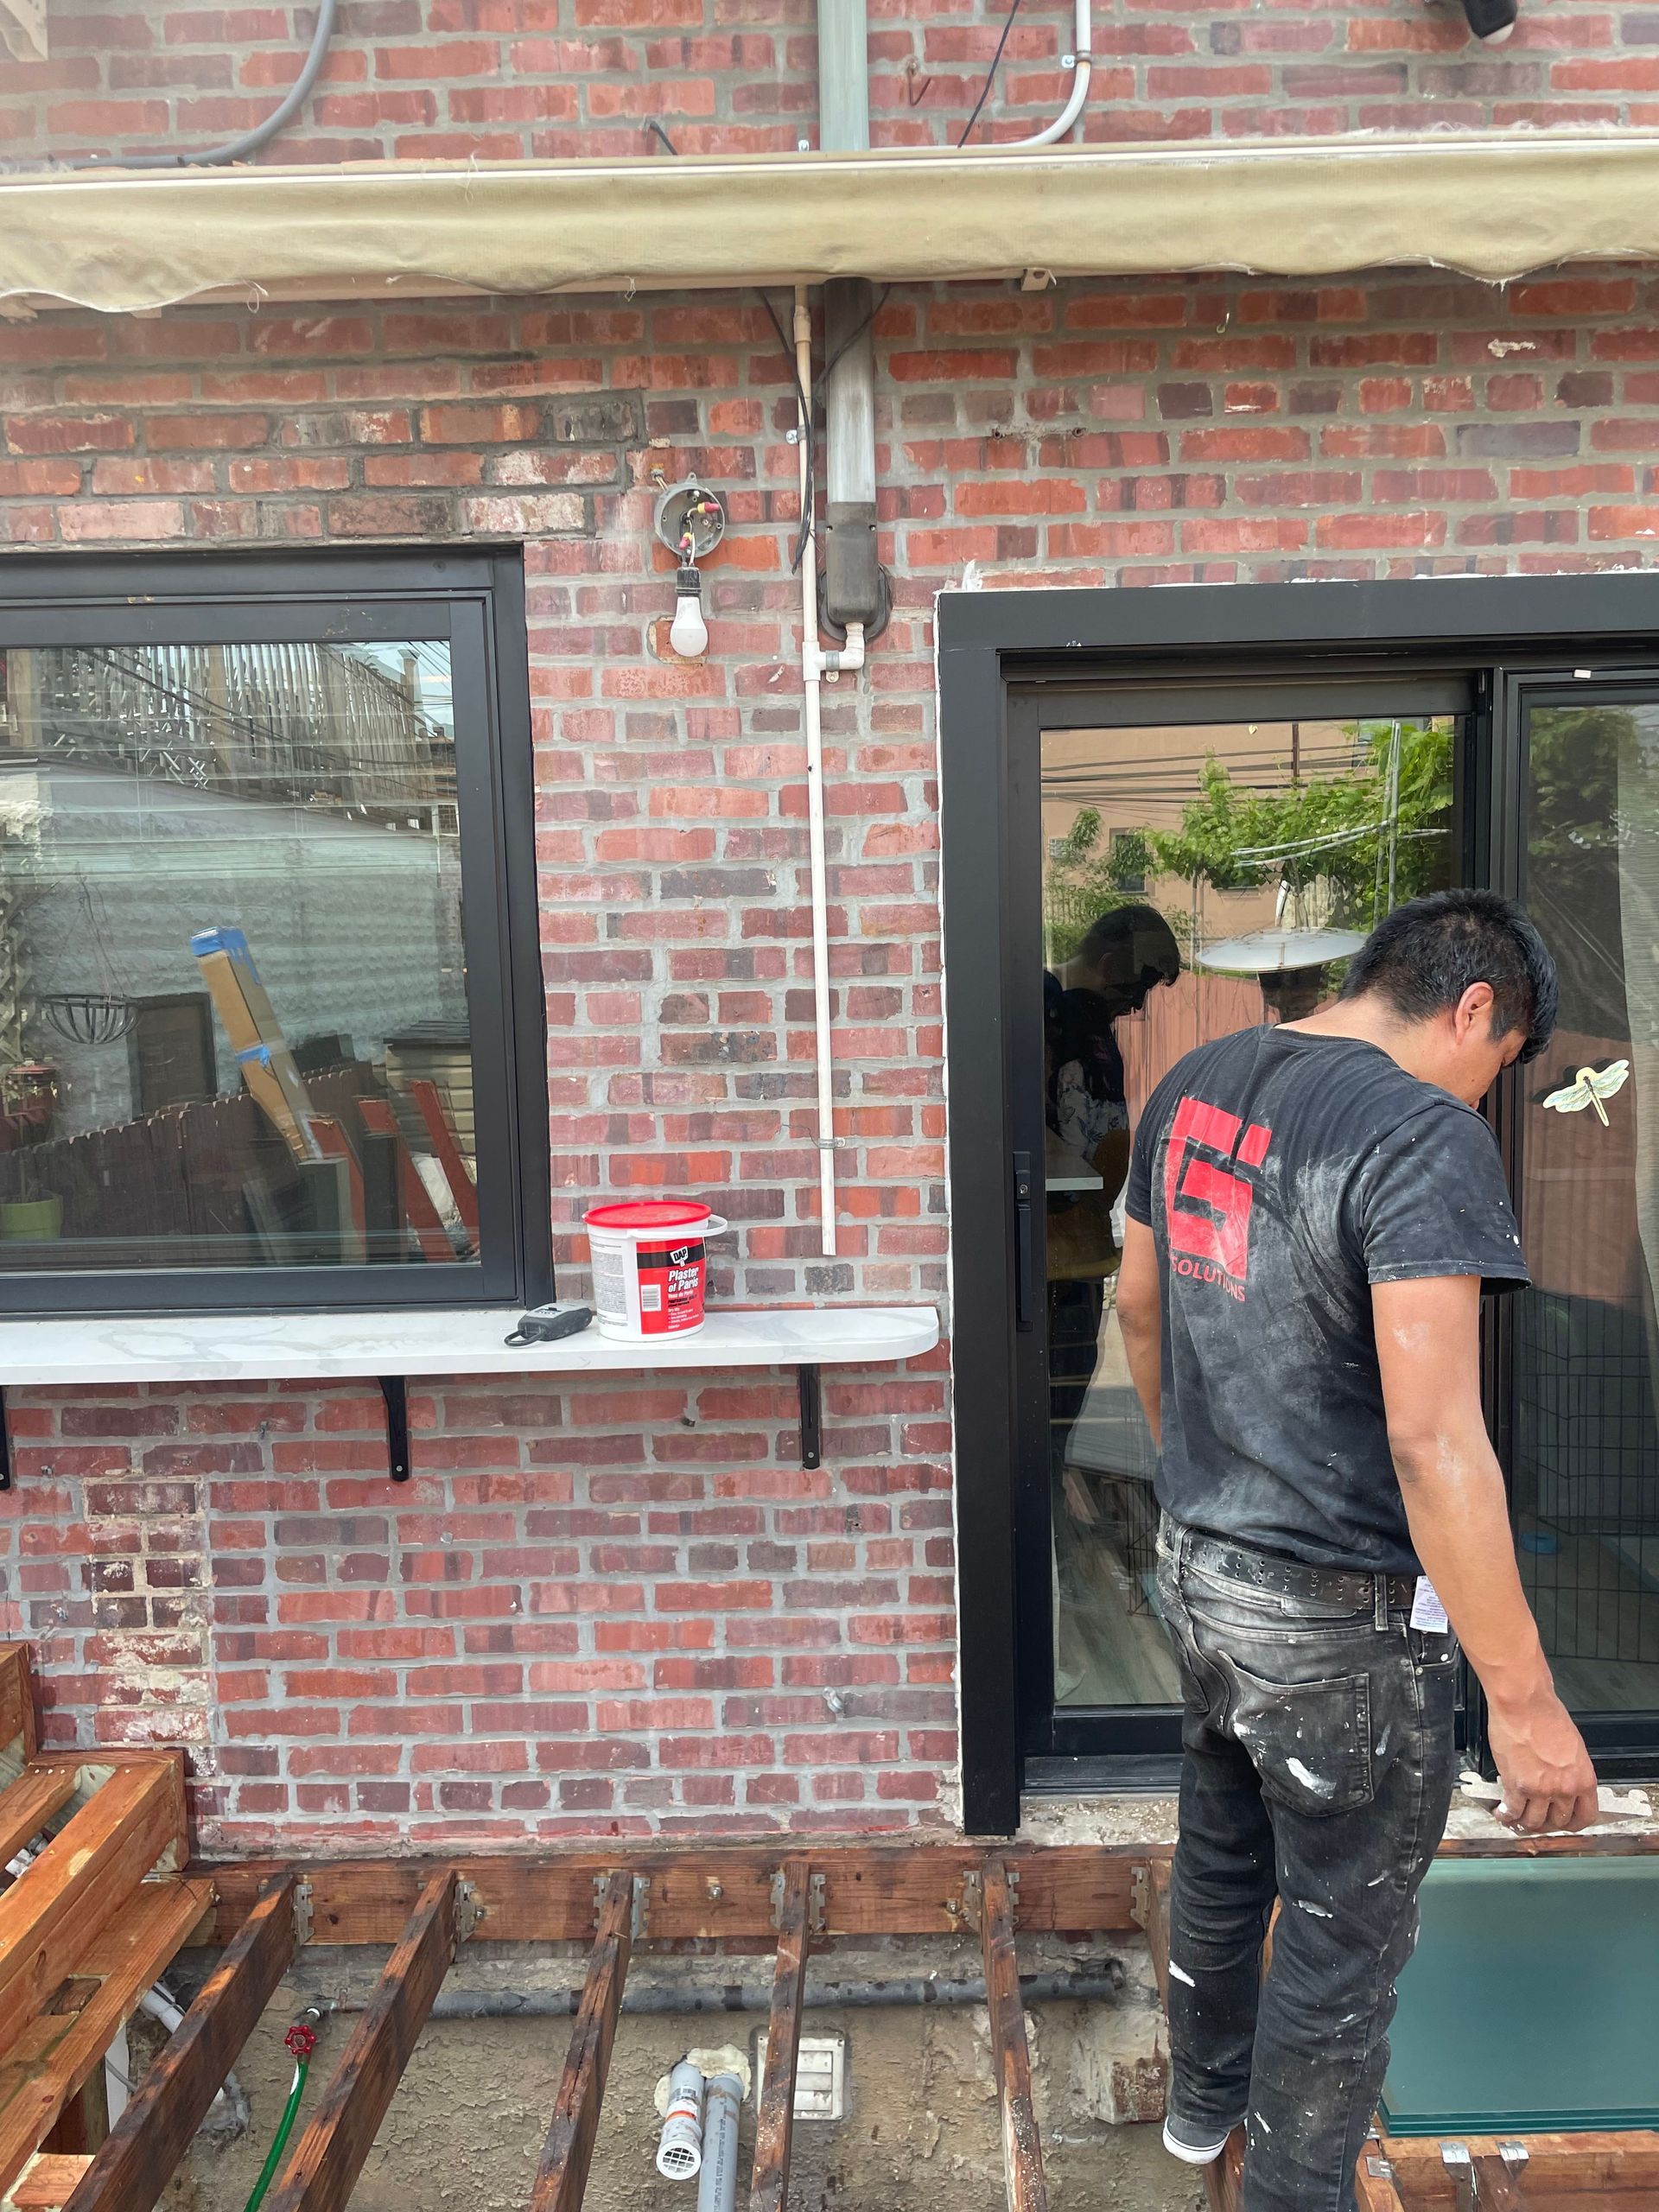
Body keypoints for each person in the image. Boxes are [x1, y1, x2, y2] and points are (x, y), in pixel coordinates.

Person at [1114, 887, 1597, 2212]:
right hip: (1340, 1623)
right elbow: (1435, 1442)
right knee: (1339, 1942)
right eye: (1500, 1070)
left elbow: (1139, 1307)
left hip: (1205, 1572)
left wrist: (1193, 1483)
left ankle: (1199, 2108)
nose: (1489, 1101)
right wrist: (1527, 1699)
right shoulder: (1418, 1134)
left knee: (1222, 1848)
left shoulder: (1199, 1081)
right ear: (1475, 1009)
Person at [1044, 905, 1181, 1481]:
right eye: (1135, 985)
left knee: (1071, 1390)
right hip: (1052, 1251)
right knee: (1052, 1402)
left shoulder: (1087, 1021)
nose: (1138, 1005)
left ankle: (1055, 1491)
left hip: (1084, 1243)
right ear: (1104, 962)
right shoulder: (1046, 1012)